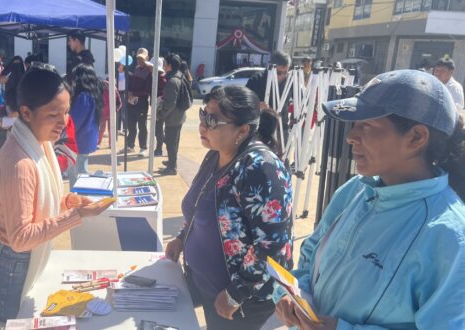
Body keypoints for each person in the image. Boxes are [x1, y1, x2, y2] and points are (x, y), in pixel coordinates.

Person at [274, 70, 465, 330]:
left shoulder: (449, 236)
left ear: (416, 138)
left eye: (368, 125)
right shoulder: (356, 190)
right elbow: (310, 257)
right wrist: (294, 295)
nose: (351, 136)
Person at [0, 66, 112, 322]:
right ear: (26, 112)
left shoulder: (37, 144)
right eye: (53, 115)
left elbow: (38, 204)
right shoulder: (20, 163)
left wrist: (66, 202)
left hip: (16, 265)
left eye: (66, 112)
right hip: (8, 272)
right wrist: (76, 214)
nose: (64, 122)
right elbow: (21, 237)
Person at [165, 85, 294, 330]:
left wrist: (236, 293)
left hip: (240, 301)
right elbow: (200, 205)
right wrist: (182, 237)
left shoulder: (261, 169)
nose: (203, 124)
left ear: (243, 130)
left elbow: (271, 245)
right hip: (206, 285)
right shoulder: (215, 154)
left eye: (212, 120)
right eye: (203, 114)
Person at [66, 64, 103, 187]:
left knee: (78, 174)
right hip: (87, 138)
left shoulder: (83, 97)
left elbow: (74, 121)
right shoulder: (93, 94)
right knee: (79, 172)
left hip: (79, 140)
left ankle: (79, 199)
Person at [246, 51, 292, 139]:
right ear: (271, 67)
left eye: (285, 72)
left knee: (282, 152)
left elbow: (297, 98)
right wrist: (257, 105)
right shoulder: (257, 79)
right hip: (261, 130)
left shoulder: (289, 80)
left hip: (282, 128)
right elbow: (245, 102)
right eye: (279, 72)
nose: (283, 76)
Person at [157, 54, 187, 176]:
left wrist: (161, 114)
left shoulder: (172, 81)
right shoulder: (180, 76)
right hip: (179, 115)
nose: (163, 66)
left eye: (164, 64)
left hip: (173, 117)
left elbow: (170, 103)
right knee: (174, 141)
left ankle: (172, 167)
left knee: (171, 142)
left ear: (169, 65)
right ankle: (171, 162)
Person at [123, 48, 153, 157]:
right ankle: (130, 145)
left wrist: (135, 93)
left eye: (142, 58)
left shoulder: (150, 71)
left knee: (142, 126)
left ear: (147, 58)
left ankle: (143, 147)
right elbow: (132, 84)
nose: (140, 61)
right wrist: (130, 92)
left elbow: (148, 90)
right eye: (138, 58)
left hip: (142, 102)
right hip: (132, 101)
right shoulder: (135, 69)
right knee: (131, 124)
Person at [97, 79, 122, 148]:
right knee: (102, 129)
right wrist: (101, 110)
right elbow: (98, 101)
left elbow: (119, 103)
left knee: (111, 129)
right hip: (103, 114)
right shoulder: (101, 91)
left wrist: (116, 110)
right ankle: (98, 143)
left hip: (112, 114)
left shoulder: (115, 91)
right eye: (107, 84)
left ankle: (111, 144)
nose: (107, 86)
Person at [154, 57, 168, 157]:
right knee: (157, 129)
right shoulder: (155, 76)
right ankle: (166, 141)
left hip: (160, 107)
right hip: (156, 105)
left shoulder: (162, 78)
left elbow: (164, 94)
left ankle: (159, 148)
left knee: (158, 128)